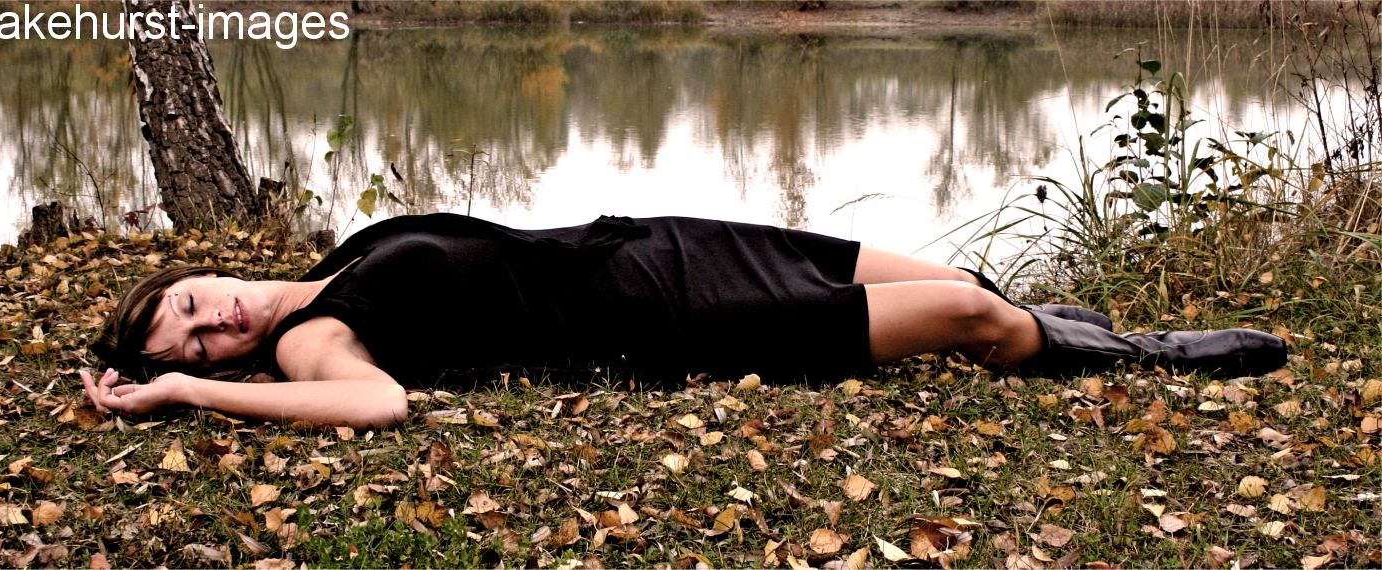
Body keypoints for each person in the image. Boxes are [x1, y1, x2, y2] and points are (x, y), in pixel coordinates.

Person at [83, 214, 1286, 428]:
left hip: (673, 241)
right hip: (685, 317)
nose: (213, 324)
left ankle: (1062, 328)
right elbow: (378, 404)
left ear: (194, 275)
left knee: (959, 276)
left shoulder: (331, 266)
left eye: (190, 309)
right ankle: (1141, 357)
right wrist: (184, 393)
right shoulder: (312, 341)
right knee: (969, 312)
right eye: (198, 345)